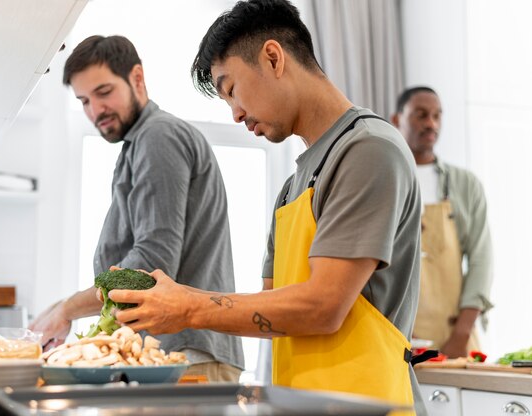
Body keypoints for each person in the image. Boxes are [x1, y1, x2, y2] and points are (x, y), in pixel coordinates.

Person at [105, 1, 425, 414]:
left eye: (231, 89)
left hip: (370, 404)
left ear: (273, 57)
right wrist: (178, 304)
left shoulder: (368, 150)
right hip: (304, 404)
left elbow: (322, 307)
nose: (236, 113)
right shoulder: (293, 187)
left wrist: (188, 307)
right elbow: (275, 312)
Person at [29, 35, 244, 382]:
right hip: (175, 356)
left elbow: (149, 266)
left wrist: (68, 309)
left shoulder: (158, 137)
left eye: (103, 92)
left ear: (137, 78)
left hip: (185, 357)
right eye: (84, 101)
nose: (95, 110)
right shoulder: (139, 144)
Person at [391, 86, 493, 358]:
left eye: (437, 116)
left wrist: (460, 335)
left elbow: (482, 261)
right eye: (421, 115)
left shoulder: (465, 185)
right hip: (396, 337)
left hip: (455, 337)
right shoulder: (384, 181)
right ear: (396, 120)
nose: (431, 124)